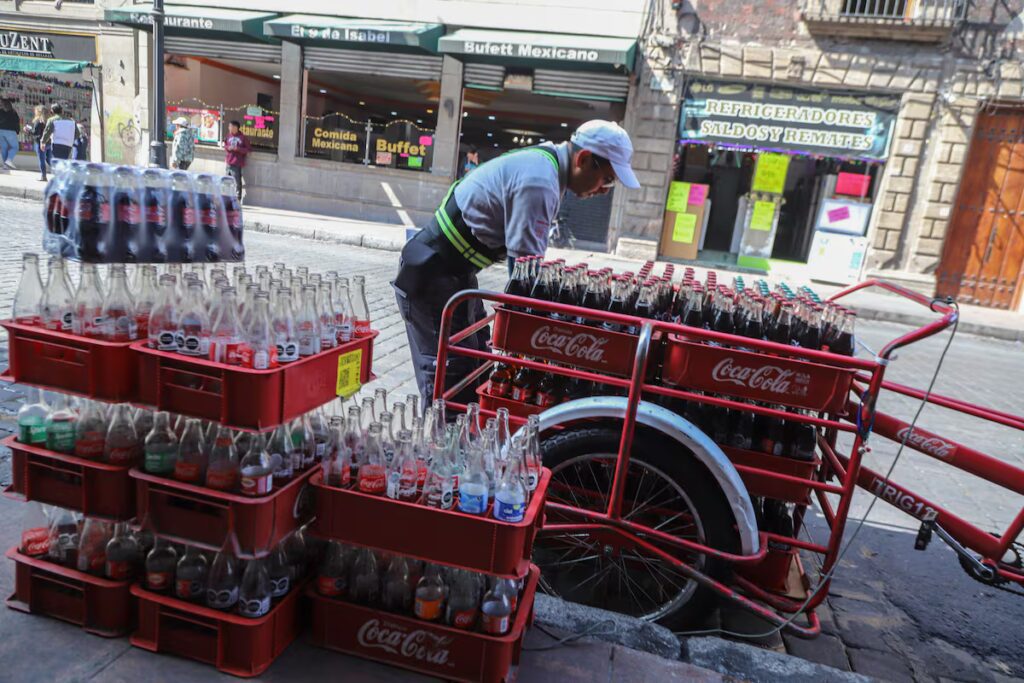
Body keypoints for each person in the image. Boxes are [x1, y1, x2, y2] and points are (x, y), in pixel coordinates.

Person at [393, 120, 640, 404]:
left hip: (456, 274)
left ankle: (464, 438)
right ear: (583, 159)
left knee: (478, 365)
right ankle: (444, 445)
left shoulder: (547, 166)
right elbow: (526, 273)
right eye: (607, 180)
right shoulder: (540, 181)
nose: (604, 191)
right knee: (453, 379)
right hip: (432, 275)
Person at [221, 120, 250, 202]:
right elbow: (225, 145)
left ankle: (238, 199)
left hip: (237, 162)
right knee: (226, 181)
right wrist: (228, 148)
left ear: (235, 127)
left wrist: (238, 149)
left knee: (237, 181)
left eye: (231, 126)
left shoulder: (242, 137)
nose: (229, 128)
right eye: (229, 126)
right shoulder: (228, 136)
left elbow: (248, 149)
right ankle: (226, 197)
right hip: (228, 161)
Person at [25, 105, 51, 181]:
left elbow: (35, 133)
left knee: (42, 160)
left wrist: (28, 130)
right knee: (49, 160)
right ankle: (59, 175)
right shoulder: (49, 121)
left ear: (38, 112)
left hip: (41, 143)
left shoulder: (38, 121)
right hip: (49, 143)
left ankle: (43, 176)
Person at [0, 98, 21, 171]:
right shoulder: (13, 112)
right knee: (15, 147)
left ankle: (5, 165)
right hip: (10, 131)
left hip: (0, 131)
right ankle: (8, 161)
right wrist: (18, 131)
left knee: (4, 148)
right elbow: (17, 122)